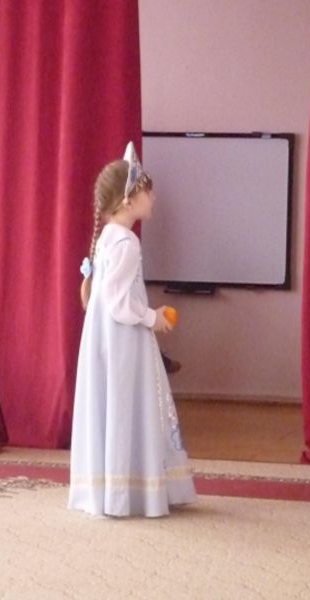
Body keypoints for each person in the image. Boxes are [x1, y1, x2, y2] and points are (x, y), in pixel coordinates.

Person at [68, 142, 197, 518]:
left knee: (115, 405)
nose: (153, 198)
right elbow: (119, 302)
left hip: (106, 340)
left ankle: (114, 490)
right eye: (147, 192)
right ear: (127, 201)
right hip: (123, 342)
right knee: (126, 405)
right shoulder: (126, 242)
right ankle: (128, 491)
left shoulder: (109, 237)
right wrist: (153, 317)